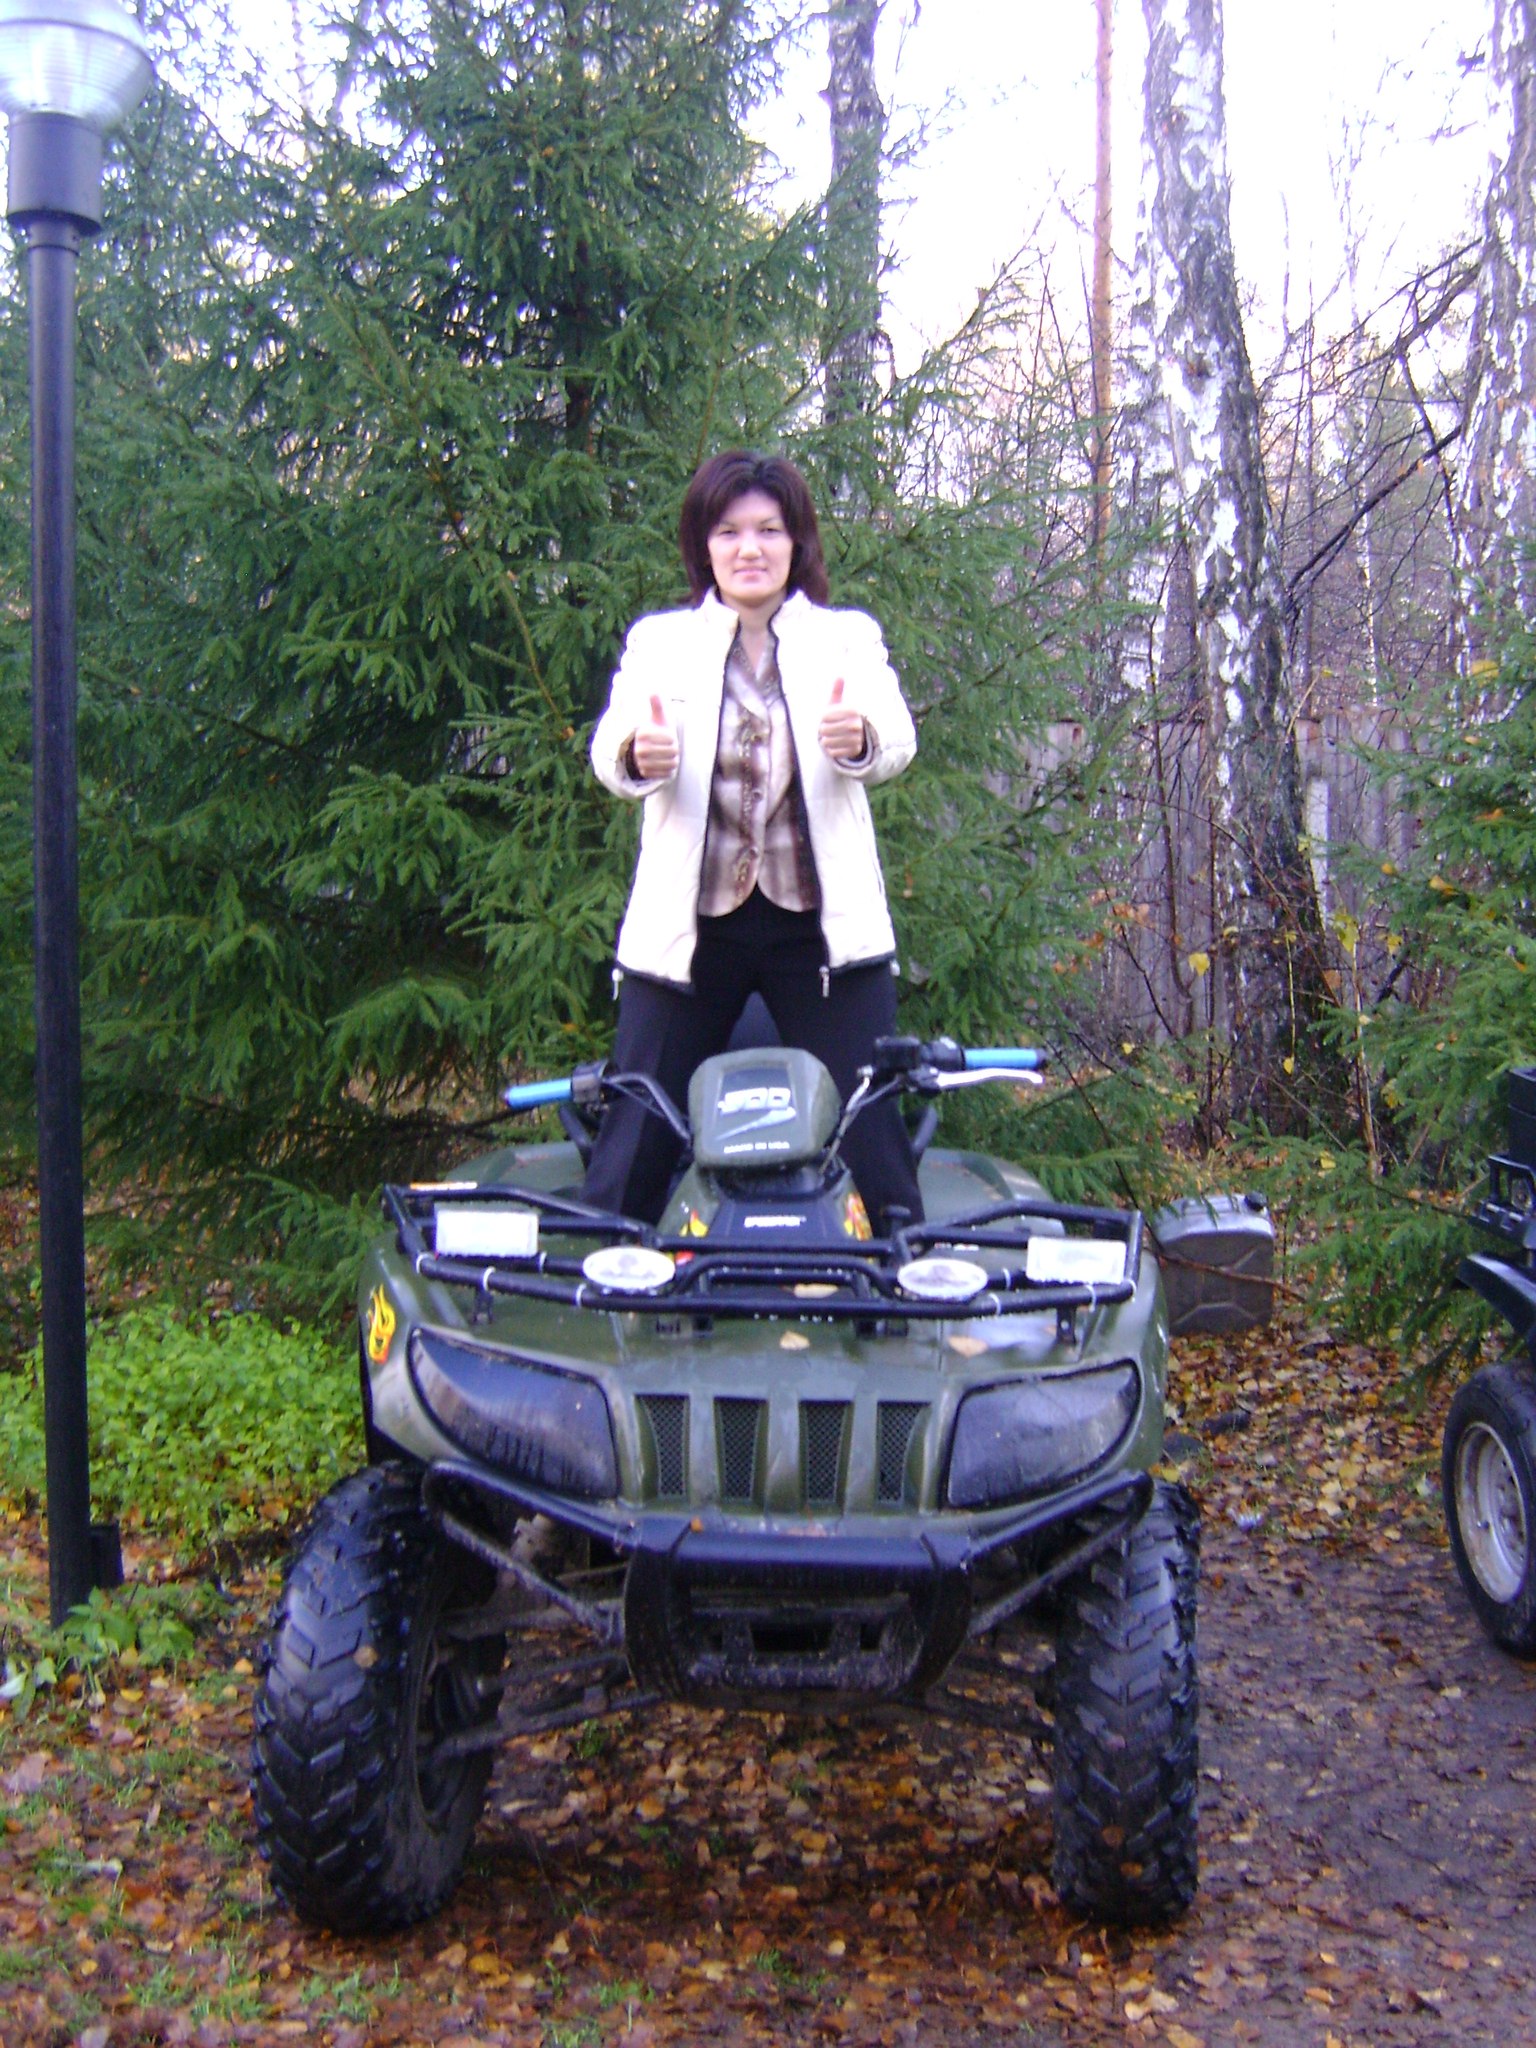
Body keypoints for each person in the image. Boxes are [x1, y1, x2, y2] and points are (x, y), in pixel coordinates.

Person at [581, 449, 924, 1235]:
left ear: (796, 542)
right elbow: (609, 749)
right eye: (730, 531)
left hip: (822, 937)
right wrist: (637, 756)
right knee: (636, 1130)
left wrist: (860, 740)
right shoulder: (660, 644)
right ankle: (601, 1275)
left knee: (874, 1131)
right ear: (703, 545)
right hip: (691, 934)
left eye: (769, 530)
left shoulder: (846, 639)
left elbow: (897, 738)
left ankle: (907, 1279)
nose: (750, 549)